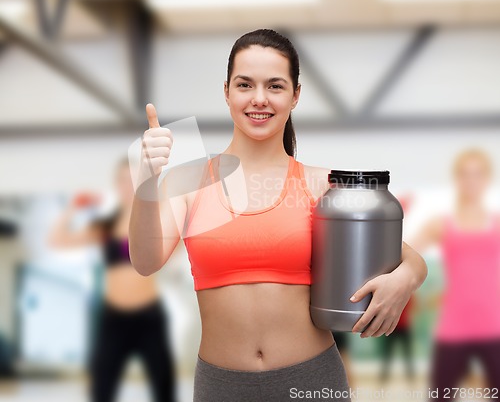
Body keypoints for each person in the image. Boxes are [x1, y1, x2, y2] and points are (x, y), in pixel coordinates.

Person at [129, 29, 427, 402]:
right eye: (244, 85)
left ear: (295, 95)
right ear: (226, 92)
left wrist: (406, 280)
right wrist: (147, 180)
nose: (259, 99)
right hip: (221, 387)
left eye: (275, 86)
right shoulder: (189, 182)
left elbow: (407, 256)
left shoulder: (321, 185)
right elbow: (144, 261)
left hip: (312, 379)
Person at [49, 159, 176, 402]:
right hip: (113, 319)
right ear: (116, 184)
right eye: (123, 180)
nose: (128, 186)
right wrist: (72, 208)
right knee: (101, 390)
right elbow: (58, 240)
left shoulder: (156, 221)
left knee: (164, 390)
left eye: (134, 180)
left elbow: (180, 245)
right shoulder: (104, 226)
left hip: (149, 318)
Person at [411, 148, 500, 401]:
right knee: (441, 396)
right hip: (454, 327)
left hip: (494, 326)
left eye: (478, 174)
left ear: (487, 178)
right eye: (465, 174)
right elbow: (404, 253)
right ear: (457, 179)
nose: (471, 181)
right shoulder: (440, 223)